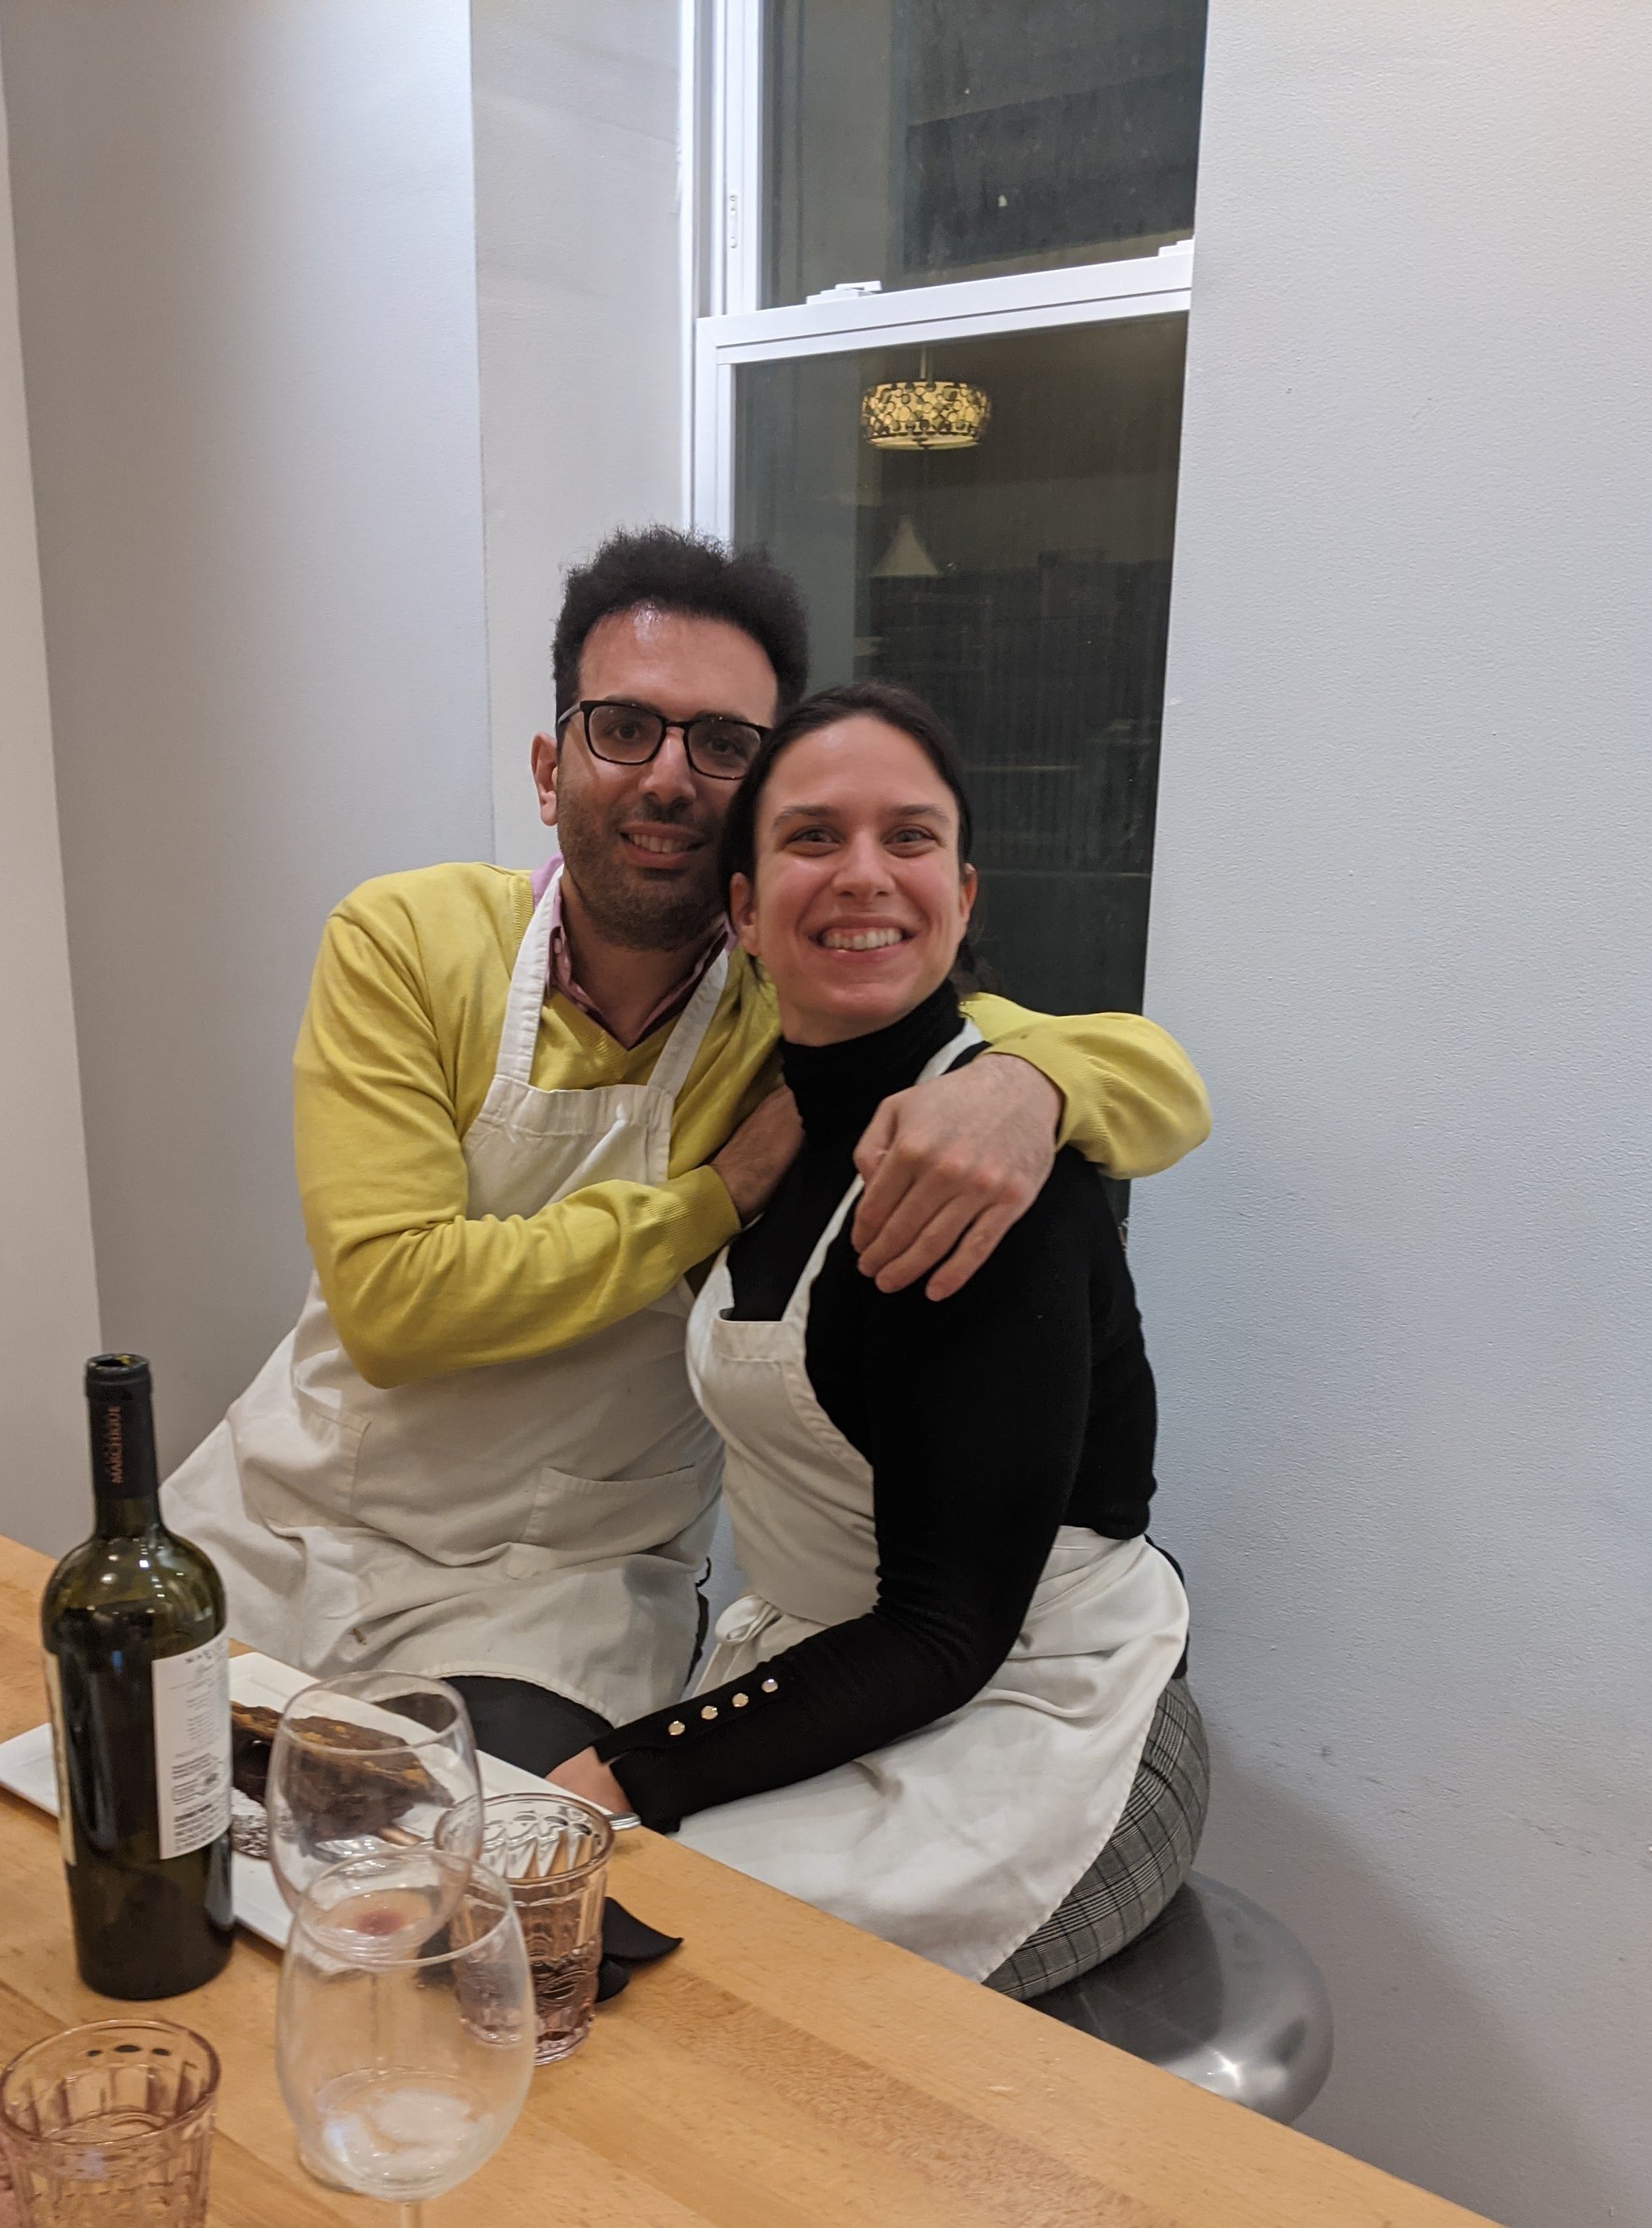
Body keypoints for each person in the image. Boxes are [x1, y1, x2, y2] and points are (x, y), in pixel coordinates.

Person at [164, 530, 1210, 1779]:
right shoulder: (410, 940)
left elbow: (1165, 1084)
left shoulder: (797, 1000)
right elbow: (393, 1305)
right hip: (291, 1520)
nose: (669, 777)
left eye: (722, 744)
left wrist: (1029, 1085)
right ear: (550, 768)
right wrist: (714, 1194)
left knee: (482, 1863)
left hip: (561, 1587)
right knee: (126, 1811)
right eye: (624, 729)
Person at [550, 680, 1201, 1998]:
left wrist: (623, 1769)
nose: (863, 874)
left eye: (909, 837)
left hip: (1038, 1726)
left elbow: (947, 1631)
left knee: (621, 1962)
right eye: (812, 836)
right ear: (742, 910)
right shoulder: (780, 1121)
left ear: (962, 895)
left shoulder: (992, 1180)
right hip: (855, 1678)